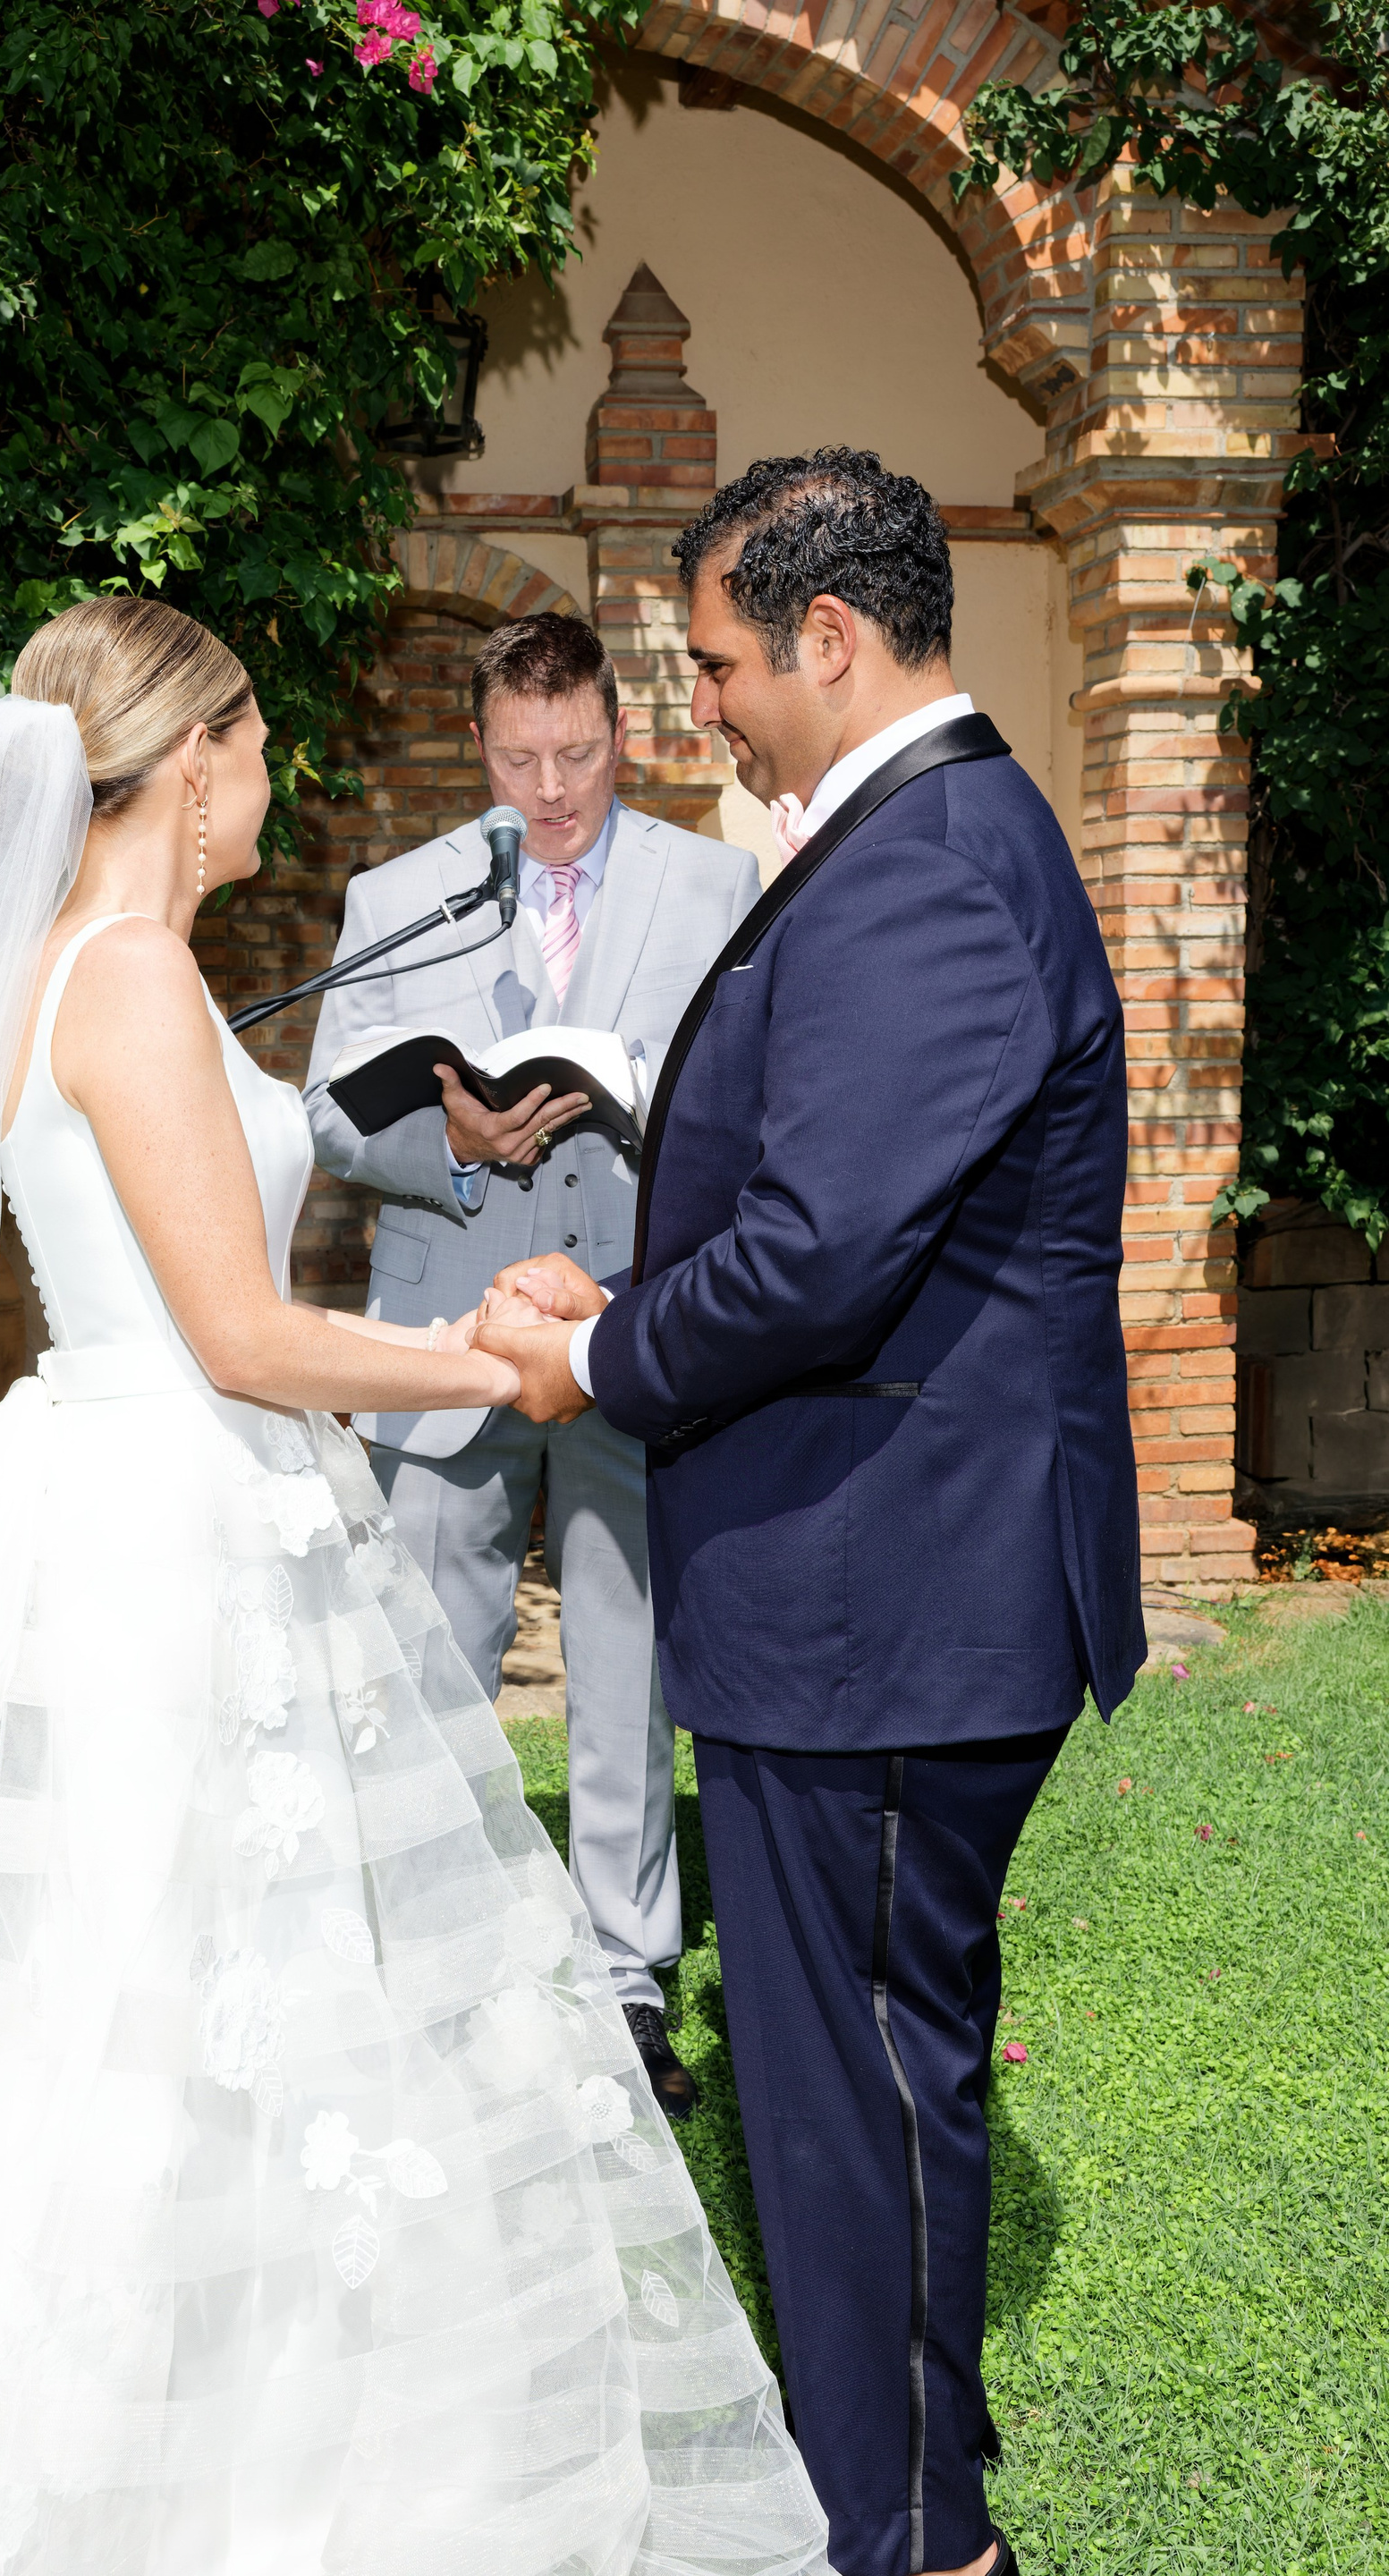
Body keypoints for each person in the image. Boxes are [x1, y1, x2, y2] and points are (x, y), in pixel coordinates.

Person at [0, 598, 829, 2572]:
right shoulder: (124, 976)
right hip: (164, 1516)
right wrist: (507, 1361)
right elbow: (240, 1336)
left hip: (135, 1480)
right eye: (263, 741)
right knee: (151, 1984)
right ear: (192, 757)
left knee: (197, 1972)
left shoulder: (88, 963)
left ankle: (211, 2385)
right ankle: (99, 2450)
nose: (279, 774)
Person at [476, 449, 1146, 2576]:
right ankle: (906, 2479)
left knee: (854, 2092)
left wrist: (598, 1359)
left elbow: (823, 1257)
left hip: (890, 1595)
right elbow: (826, 1210)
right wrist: (625, 1298)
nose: (707, 708)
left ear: (831, 640)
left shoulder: (926, 861)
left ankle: (922, 2539)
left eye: (723, 663)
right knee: (857, 2079)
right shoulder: (915, 838)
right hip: (871, 1578)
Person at [304, 614, 758, 2118]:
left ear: (621, 733)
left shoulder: (718, 883)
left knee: (627, 1663)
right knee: (432, 1660)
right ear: (478, 746)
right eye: (518, 759)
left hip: (633, 1323)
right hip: (448, 1332)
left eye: (575, 755)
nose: (551, 790)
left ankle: (627, 1978)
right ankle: (439, 1967)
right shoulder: (401, 895)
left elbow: (756, 1097)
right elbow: (328, 1114)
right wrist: (450, 1141)